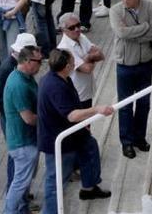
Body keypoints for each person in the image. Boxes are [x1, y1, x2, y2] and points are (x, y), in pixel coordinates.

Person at [38, 50, 113, 214]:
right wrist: (97, 110)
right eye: (73, 63)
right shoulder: (55, 86)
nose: (75, 66)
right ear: (66, 67)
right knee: (56, 181)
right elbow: (71, 115)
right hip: (59, 140)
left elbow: (74, 106)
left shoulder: (61, 79)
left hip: (73, 133)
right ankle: (50, 211)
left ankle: (89, 187)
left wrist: (83, 122)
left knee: (90, 146)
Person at [109, 0, 152, 158]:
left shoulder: (150, 8)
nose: (124, 0)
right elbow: (121, 33)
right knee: (125, 105)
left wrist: (134, 33)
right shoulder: (116, 11)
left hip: (145, 63)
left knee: (144, 104)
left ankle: (140, 137)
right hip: (125, 65)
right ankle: (127, 142)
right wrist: (144, 28)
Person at [2, 46, 42, 214]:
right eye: (38, 61)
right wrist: (49, 119)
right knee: (20, 183)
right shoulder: (19, 85)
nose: (41, 64)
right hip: (23, 143)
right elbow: (29, 118)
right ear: (26, 61)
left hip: (26, 140)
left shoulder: (25, 77)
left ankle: (22, 210)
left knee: (23, 182)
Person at [57, 13, 105, 108]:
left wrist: (87, 58)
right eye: (71, 28)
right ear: (63, 30)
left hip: (87, 92)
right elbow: (87, 69)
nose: (77, 29)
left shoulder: (81, 37)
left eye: (78, 25)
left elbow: (101, 55)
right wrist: (92, 57)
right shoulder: (64, 48)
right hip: (76, 96)